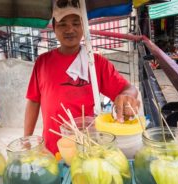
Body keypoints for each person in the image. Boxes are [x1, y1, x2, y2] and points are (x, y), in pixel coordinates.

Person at [24, 0, 140, 155]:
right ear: (53, 26)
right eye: (63, 23)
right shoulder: (42, 62)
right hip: (52, 149)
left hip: (87, 148)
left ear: (84, 26)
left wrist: (127, 96)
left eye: (76, 23)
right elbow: (33, 101)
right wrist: (26, 138)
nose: (70, 29)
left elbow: (128, 88)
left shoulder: (96, 63)